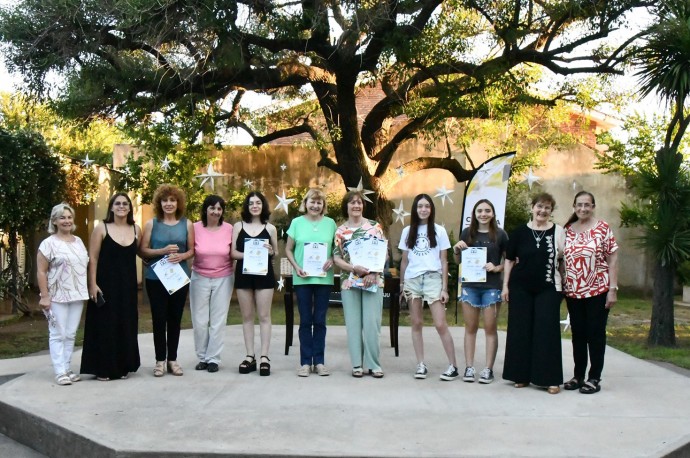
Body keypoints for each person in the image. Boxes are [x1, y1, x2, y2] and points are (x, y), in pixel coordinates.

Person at [501, 192, 564, 394]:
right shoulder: (519, 232)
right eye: (539, 206)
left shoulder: (558, 232)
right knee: (520, 330)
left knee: (547, 331)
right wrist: (505, 286)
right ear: (532, 208)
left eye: (547, 208)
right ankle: (521, 375)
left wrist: (566, 282)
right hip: (520, 288)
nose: (542, 211)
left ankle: (549, 379)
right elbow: (509, 260)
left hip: (548, 287)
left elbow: (563, 260)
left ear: (551, 211)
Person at [80, 193, 142, 381]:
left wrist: (164, 253)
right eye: (118, 203)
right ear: (112, 207)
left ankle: (123, 366)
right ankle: (103, 369)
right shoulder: (101, 228)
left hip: (128, 287)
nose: (122, 206)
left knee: (125, 324)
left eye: (125, 204)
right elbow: (93, 258)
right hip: (105, 285)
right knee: (105, 326)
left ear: (130, 208)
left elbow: (141, 253)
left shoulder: (136, 229)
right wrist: (92, 284)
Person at [563, 191, 619, 394]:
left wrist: (612, 289)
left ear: (593, 206)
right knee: (578, 335)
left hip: (598, 289)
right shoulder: (567, 230)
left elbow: (612, 260)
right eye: (579, 205)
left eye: (587, 205)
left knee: (595, 334)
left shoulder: (602, 228)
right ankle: (578, 375)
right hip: (573, 291)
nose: (583, 209)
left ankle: (594, 377)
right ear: (574, 206)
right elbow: (561, 259)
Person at [398, 194, 459, 381]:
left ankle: (453, 366)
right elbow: (404, 260)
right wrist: (402, 284)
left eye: (427, 206)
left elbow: (444, 261)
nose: (423, 209)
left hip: (433, 278)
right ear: (415, 209)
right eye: (420, 206)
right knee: (416, 323)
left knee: (440, 324)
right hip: (412, 280)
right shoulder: (408, 231)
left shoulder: (439, 231)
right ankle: (421, 364)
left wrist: (444, 288)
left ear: (431, 209)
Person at [140, 184, 194, 377]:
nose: (169, 204)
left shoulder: (186, 224)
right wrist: (161, 251)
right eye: (165, 200)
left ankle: (173, 359)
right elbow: (142, 250)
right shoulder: (151, 224)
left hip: (179, 278)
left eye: (172, 200)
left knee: (175, 319)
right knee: (158, 319)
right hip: (155, 279)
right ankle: (159, 361)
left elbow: (192, 250)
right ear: (159, 203)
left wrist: (182, 257)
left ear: (178, 202)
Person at [452, 199, 508, 384]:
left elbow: (509, 262)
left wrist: (497, 268)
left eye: (487, 210)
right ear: (474, 214)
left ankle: (488, 369)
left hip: (491, 287)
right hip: (470, 287)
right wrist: (456, 250)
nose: (483, 214)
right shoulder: (467, 233)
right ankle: (469, 367)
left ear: (493, 213)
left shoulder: (500, 235)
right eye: (479, 211)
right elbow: (458, 261)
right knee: (470, 328)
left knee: (490, 329)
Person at [333, 191, 386, 378]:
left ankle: (374, 364)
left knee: (372, 324)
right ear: (346, 206)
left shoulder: (374, 227)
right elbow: (336, 257)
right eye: (352, 203)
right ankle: (357, 364)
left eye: (359, 203)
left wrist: (374, 272)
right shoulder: (340, 231)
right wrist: (353, 268)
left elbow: (383, 253)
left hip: (373, 281)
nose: (356, 206)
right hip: (349, 281)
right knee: (353, 324)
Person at [285, 188, 337, 377]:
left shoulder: (331, 224)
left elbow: (337, 250)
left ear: (323, 205)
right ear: (305, 203)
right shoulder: (296, 223)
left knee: (320, 321)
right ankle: (306, 362)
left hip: (324, 279)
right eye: (312, 202)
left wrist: (332, 258)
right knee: (305, 320)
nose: (315, 205)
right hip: (303, 278)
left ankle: (320, 362)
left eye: (319, 202)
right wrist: (296, 267)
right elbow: (288, 249)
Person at [37, 203, 89, 386]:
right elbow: (41, 271)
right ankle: (59, 371)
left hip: (77, 294)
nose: (66, 221)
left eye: (69, 217)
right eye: (62, 217)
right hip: (57, 295)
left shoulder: (79, 241)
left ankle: (67, 368)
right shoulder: (48, 243)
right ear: (55, 221)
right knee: (58, 333)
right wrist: (45, 296)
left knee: (71, 333)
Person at [232, 192, 278, 376]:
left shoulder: (271, 228)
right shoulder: (238, 226)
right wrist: (249, 254)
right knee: (247, 316)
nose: (255, 206)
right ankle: (250, 355)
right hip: (243, 275)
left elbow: (275, 252)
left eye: (258, 202)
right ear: (247, 206)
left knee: (264, 316)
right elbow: (232, 253)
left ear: (263, 206)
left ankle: (264, 357)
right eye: (251, 203)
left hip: (264, 275)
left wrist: (269, 251)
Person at [190, 195, 234, 373]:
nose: (216, 212)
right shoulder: (194, 227)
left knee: (218, 320)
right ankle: (202, 357)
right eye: (212, 208)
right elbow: (187, 249)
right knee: (200, 320)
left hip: (224, 277)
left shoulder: (229, 228)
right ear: (205, 209)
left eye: (219, 208)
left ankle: (213, 358)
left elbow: (236, 251)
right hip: (199, 276)